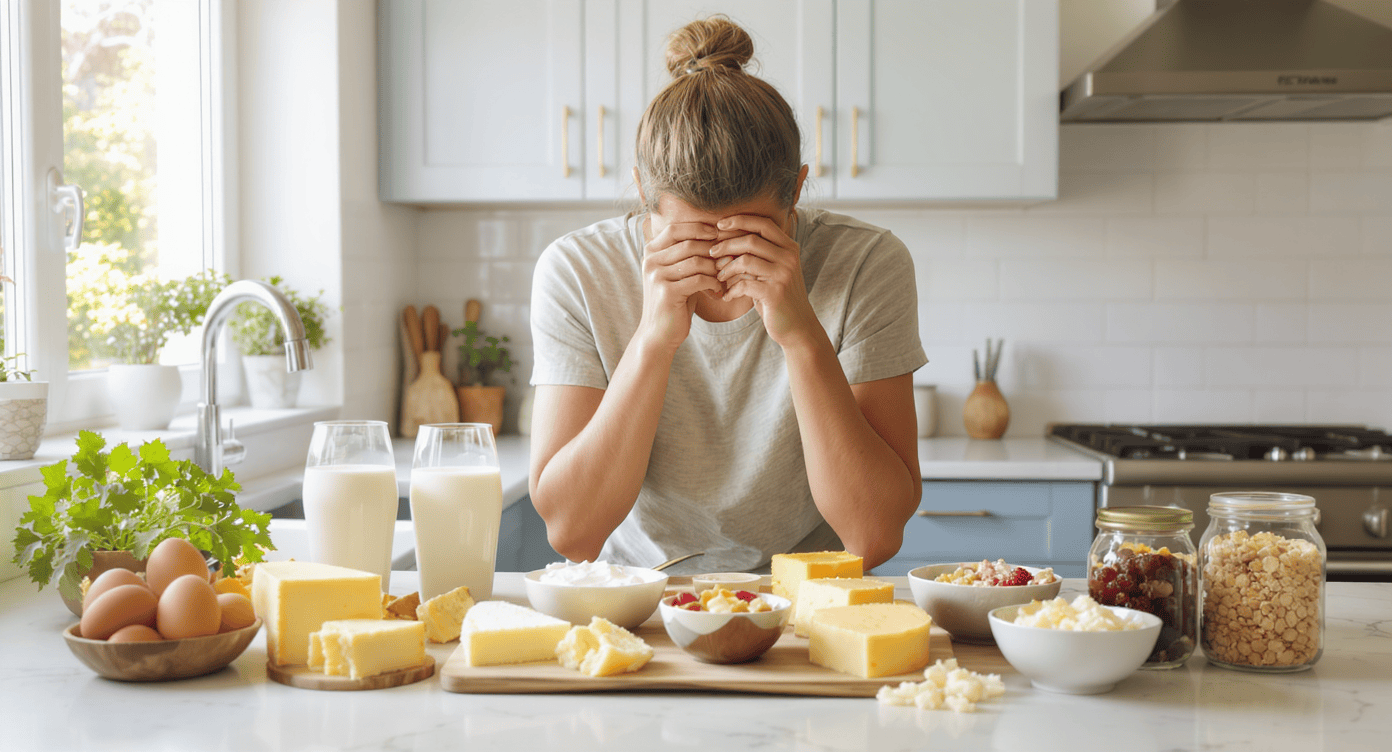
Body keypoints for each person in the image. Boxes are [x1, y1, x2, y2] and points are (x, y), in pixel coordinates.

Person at [527, 16, 925, 574]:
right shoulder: (577, 270)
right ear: (643, 193)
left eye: (752, 237)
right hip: (638, 590)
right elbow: (573, 532)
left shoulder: (866, 263)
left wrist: (802, 337)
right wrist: (652, 342)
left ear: (797, 191)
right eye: (687, 238)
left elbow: (873, 535)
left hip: (807, 590)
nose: (719, 262)